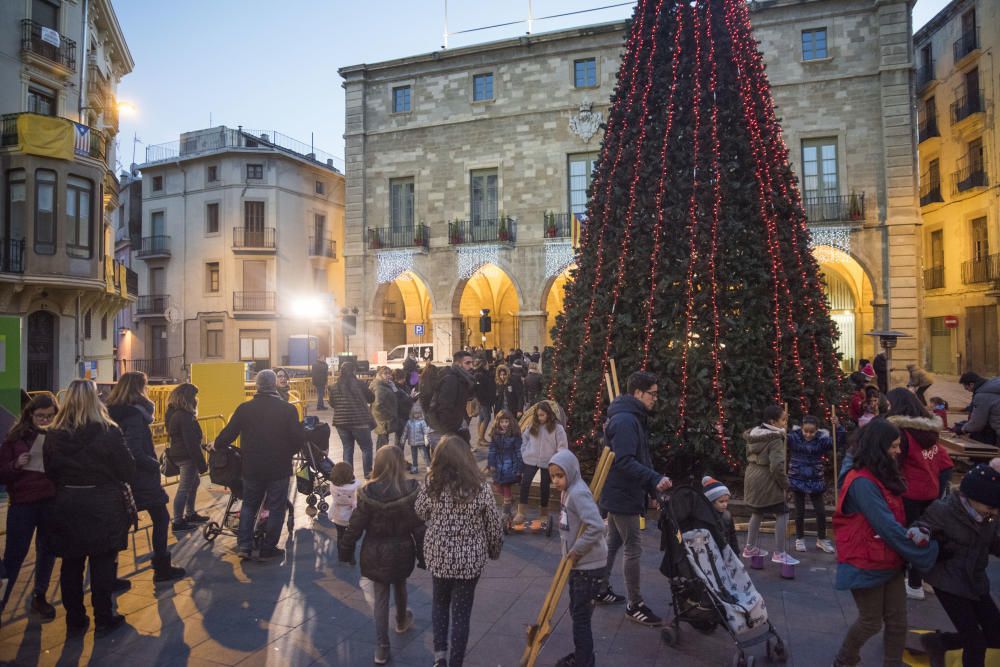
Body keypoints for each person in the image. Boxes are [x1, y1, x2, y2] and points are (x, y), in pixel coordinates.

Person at [832, 418, 939, 667]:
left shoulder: (881, 473)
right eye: (893, 446)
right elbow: (887, 526)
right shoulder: (861, 482)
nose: (898, 451)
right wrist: (923, 552)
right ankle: (844, 659)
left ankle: (892, 663)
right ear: (877, 447)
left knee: (898, 621)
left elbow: (894, 521)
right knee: (870, 621)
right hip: (865, 561)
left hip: (887, 557)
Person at [43, 379, 136, 637]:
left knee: (71, 564)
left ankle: (75, 619)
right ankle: (104, 617)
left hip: (67, 502)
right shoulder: (109, 431)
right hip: (103, 502)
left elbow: (50, 471)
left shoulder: (53, 433)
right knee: (102, 562)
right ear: (95, 400)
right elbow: (127, 469)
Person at [416, 436, 503, 667]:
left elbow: (420, 512)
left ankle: (439, 656)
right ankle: (456, 662)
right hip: (469, 559)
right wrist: (494, 550)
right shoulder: (480, 487)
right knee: (462, 613)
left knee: (439, 604)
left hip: (439, 555)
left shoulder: (431, 484)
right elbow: (493, 523)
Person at [594, 371, 672, 626]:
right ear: (638, 393)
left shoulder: (630, 417)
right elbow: (625, 460)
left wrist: (652, 490)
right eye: (653, 394)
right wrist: (654, 479)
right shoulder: (627, 420)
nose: (655, 399)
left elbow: (639, 457)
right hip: (622, 494)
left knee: (613, 542)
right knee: (633, 548)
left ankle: (600, 588)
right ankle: (634, 604)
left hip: (620, 492)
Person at [339, 446, 425, 666]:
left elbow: (355, 526)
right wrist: (423, 555)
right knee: (400, 584)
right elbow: (418, 527)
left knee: (380, 598)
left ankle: (381, 647)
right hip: (402, 550)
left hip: (374, 551)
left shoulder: (367, 492)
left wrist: (346, 550)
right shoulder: (410, 490)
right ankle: (401, 619)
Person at [214, 369, 307, 560]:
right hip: (279, 467)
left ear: (256, 386)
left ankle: (244, 546)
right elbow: (298, 439)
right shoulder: (288, 409)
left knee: (249, 505)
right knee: (276, 507)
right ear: (274, 385)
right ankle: (268, 548)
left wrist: (218, 446)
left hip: (252, 467)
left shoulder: (244, 409)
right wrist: (287, 452)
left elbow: (225, 437)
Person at [916, 461, 1000, 667]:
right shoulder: (943, 511)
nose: (995, 512)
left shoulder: (989, 516)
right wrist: (929, 540)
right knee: (975, 643)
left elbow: (993, 543)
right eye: (991, 507)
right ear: (971, 498)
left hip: (975, 578)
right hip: (948, 580)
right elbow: (920, 529)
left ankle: (940, 642)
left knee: (996, 635)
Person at [105, 372, 187, 583]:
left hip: (120, 477)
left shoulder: (110, 413)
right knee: (161, 518)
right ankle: (162, 568)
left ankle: (108, 576)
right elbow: (134, 450)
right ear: (139, 389)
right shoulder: (134, 415)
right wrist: (154, 464)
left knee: (120, 526)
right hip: (141, 478)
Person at [885, 387, 951, 600]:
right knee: (922, 535)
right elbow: (945, 464)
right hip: (929, 491)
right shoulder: (930, 432)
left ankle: (912, 584)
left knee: (907, 537)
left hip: (909, 493)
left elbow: (894, 465)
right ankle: (918, 580)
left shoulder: (901, 433)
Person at [0, 394, 58, 622]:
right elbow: (2, 472)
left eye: (49, 416)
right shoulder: (15, 438)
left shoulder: (58, 437)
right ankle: (2, 600)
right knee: (14, 556)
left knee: (47, 551)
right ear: (30, 415)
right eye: (40, 416)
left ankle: (39, 595)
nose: (44, 421)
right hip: (23, 504)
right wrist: (16, 464)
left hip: (49, 501)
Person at [548, 449, 608, 667]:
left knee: (580, 618)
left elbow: (597, 526)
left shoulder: (577, 493)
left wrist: (576, 550)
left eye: (560, 476)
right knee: (577, 613)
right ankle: (584, 656)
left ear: (571, 472)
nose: (556, 481)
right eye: (553, 476)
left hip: (587, 566)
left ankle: (584, 661)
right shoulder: (568, 490)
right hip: (579, 564)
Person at [742, 405, 799, 566]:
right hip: (767, 478)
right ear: (772, 421)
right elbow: (776, 467)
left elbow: (748, 455)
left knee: (757, 511)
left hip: (752, 474)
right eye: (783, 420)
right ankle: (780, 552)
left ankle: (750, 547)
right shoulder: (774, 438)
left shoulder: (754, 434)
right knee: (783, 512)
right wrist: (785, 484)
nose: (785, 423)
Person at [787, 415, 836, 554]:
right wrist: (782, 429)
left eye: (812, 432)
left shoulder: (822, 439)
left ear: (817, 430)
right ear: (801, 428)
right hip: (798, 476)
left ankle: (821, 538)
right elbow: (780, 439)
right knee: (799, 511)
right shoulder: (793, 437)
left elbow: (838, 442)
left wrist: (837, 427)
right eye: (805, 431)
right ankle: (800, 538)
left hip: (815, 477)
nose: (808, 434)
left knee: (821, 511)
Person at [514, 401, 567, 527]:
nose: (540, 418)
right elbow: (524, 438)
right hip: (530, 459)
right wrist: (524, 451)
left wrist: (557, 459)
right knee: (525, 482)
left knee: (545, 486)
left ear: (548, 414)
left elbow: (562, 445)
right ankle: (521, 512)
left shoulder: (557, 428)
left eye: (542, 415)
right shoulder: (532, 425)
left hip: (548, 461)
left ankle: (544, 513)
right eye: (538, 415)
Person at [165, 383, 208, 532]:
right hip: (186, 456)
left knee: (193, 483)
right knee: (184, 488)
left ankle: (190, 513)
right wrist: (202, 464)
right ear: (188, 398)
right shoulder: (184, 416)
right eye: (194, 396)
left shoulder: (172, 412)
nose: (196, 399)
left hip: (178, 454)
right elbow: (191, 443)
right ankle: (178, 520)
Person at [329, 362, 376, 478]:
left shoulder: (334, 386)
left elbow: (332, 403)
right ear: (354, 371)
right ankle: (368, 475)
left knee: (347, 448)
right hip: (360, 422)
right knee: (366, 448)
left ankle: (347, 477)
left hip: (341, 423)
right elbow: (371, 398)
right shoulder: (360, 384)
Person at [427, 350, 475, 443]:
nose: (471, 366)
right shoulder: (451, 380)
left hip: (454, 427)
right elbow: (444, 408)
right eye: (467, 363)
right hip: (444, 430)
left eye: (472, 363)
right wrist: (448, 434)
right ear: (458, 364)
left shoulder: (462, 379)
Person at [486, 409, 522, 519]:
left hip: (510, 464)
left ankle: (506, 512)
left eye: (506, 422)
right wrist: (491, 464)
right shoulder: (495, 434)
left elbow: (518, 451)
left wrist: (519, 467)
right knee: (497, 486)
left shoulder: (514, 435)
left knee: (506, 486)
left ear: (510, 422)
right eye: (502, 422)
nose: (504, 424)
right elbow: (492, 450)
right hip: (498, 464)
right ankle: (511, 500)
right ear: (498, 422)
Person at [955, 372, 1000, 445]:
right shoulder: (992, 386)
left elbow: (978, 423)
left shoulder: (982, 395)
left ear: (972, 384)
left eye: (966, 388)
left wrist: (962, 429)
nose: (968, 390)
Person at [703, 476, 740, 554]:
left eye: (727, 501)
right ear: (711, 502)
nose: (725, 504)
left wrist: (736, 552)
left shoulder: (727, 515)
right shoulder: (706, 517)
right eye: (721, 501)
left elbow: (732, 535)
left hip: (727, 551)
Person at [327, 462, 360, 544]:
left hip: (337, 517)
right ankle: (348, 552)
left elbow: (334, 501)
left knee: (340, 535)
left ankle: (340, 552)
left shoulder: (333, 486)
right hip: (351, 517)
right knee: (350, 538)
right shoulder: (355, 486)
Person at [370, 366, 398, 448]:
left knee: (383, 441)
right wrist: (390, 415)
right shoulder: (379, 387)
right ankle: (382, 459)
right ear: (379, 375)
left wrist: (393, 387)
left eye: (390, 373)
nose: (389, 376)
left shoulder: (384, 385)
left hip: (383, 420)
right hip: (383, 420)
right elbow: (378, 404)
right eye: (386, 373)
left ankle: (382, 458)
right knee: (383, 443)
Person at [400, 404, 431, 474]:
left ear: (420, 413)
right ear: (412, 413)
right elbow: (405, 431)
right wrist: (403, 439)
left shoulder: (422, 422)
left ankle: (429, 467)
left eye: (418, 413)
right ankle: (415, 467)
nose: (416, 415)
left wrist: (426, 439)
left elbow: (426, 431)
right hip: (412, 443)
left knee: (425, 455)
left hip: (421, 443)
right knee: (414, 456)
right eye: (415, 413)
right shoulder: (409, 422)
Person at [472, 356, 496, 445]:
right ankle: (481, 438)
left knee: (482, 418)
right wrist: (482, 400)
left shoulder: (480, 374)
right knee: (487, 418)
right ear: (484, 365)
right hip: (484, 400)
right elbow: (481, 389)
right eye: (486, 364)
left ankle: (480, 438)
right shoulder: (481, 375)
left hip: (483, 400)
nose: (488, 366)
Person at [392, 368, 414, 449]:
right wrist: (410, 398)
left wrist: (412, 397)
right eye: (401, 379)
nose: (404, 380)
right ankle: (398, 457)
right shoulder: (394, 388)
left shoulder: (405, 386)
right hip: (400, 416)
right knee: (400, 440)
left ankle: (400, 457)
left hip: (407, 414)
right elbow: (398, 402)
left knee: (403, 439)